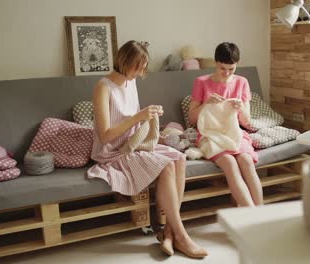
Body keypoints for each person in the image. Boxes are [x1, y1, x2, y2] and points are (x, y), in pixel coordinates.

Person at [87, 40, 207, 259]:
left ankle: (169, 232)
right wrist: (139, 116)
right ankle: (180, 235)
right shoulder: (103, 88)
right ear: (125, 62)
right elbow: (105, 135)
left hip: (133, 144)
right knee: (167, 165)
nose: (142, 72)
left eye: (144, 67)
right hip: (113, 151)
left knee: (179, 158)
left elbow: (134, 125)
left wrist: (150, 118)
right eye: (139, 66)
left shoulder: (130, 82)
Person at [188, 42, 263, 207]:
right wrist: (206, 103)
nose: (227, 73)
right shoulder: (201, 82)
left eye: (231, 68)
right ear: (215, 62)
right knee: (229, 162)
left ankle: (261, 214)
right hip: (210, 135)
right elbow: (192, 119)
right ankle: (253, 215)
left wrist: (240, 108)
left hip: (234, 133)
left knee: (246, 161)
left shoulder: (242, 82)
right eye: (223, 68)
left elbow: (246, 122)